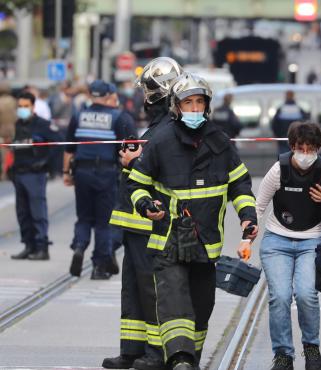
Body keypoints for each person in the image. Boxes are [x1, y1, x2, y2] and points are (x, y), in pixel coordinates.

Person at [126, 72, 258, 370]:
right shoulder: (161, 141)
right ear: (176, 106)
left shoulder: (219, 141)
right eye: (189, 102)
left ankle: (190, 359)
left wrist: (247, 217)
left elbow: (239, 184)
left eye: (200, 102)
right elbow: (136, 184)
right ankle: (180, 358)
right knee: (174, 301)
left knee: (201, 309)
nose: (195, 108)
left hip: (206, 243)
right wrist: (147, 206)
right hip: (169, 241)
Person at [103, 57, 183, 370]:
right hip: (135, 225)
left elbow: (160, 173)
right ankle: (132, 350)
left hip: (152, 225)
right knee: (133, 289)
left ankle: (156, 353)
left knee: (151, 289)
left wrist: (132, 163)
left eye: (148, 91)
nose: (144, 97)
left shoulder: (168, 128)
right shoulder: (158, 126)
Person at [255, 121, 321, 370]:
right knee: (280, 296)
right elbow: (258, 206)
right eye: (301, 148)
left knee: (307, 294)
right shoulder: (279, 170)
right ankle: (283, 355)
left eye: (311, 149)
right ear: (292, 147)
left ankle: (311, 347)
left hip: (313, 241)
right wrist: (247, 235)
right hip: (277, 240)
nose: (306, 154)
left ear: (318, 149)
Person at [63, 80, 137, 280]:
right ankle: (99, 266)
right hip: (106, 173)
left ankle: (79, 247)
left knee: (84, 217)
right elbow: (129, 151)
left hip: (82, 172)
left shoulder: (78, 116)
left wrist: (66, 173)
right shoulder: (118, 117)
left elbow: (69, 149)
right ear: (108, 96)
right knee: (104, 222)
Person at [9, 91, 58, 260]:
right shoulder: (18, 124)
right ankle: (29, 245)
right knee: (23, 213)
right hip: (20, 173)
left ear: (33, 106)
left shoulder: (42, 124)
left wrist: (46, 163)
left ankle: (42, 247)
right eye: (20, 106)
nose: (22, 109)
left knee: (38, 212)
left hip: (35, 174)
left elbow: (57, 143)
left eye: (26, 106)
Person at [271, 90, 308, 155]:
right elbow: (305, 123)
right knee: (296, 160)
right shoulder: (299, 109)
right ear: (293, 96)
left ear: (285, 97)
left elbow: (274, 124)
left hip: (283, 139)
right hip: (297, 140)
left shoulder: (281, 109)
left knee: (283, 160)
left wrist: (277, 135)